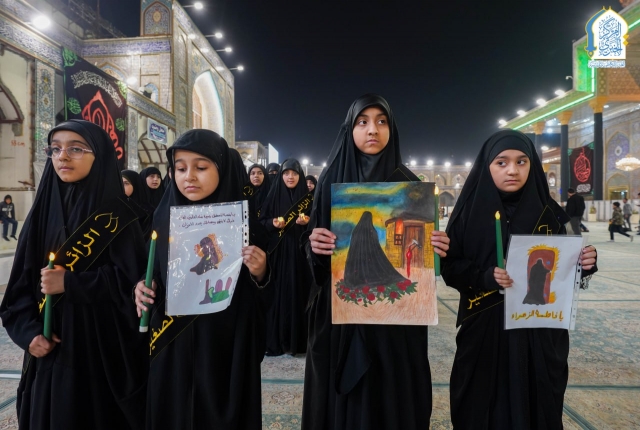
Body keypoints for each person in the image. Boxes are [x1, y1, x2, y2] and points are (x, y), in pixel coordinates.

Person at [302, 94, 450, 430]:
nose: (373, 130)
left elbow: (421, 258)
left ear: (391, 129)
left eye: (382, 121)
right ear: (350, 129)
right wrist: (314, 245)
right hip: (340, 321)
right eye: (363, 122)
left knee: (390, 395)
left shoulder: (410, 185)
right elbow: (314, 261)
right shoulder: (330, 182)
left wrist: (437, 246)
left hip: (396, 327)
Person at [441, 130, 598, 429]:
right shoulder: (467, 214)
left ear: (532, 165)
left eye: (521, 161)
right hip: (485, 328)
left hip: (537, 332)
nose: (512, 170)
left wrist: (585, 263)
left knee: (535, 402)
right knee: (480, 403)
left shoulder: (552, 214)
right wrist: (484, 276)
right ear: (487, 166)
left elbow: (566, 269)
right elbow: (450, 267)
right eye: (501, 162)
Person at [0, 120, 148, 429]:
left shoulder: (118, 217)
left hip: (99, 352)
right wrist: (28, 334)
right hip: (51, 347)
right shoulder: (41, 213)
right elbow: (19, 287)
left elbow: (131, 287)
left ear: (100, 156)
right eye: (55, 149)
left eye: (76, 149)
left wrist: (71, 283)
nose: (63, 156)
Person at [134, 129, 272, 430]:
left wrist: (260, 271)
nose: (189, 177)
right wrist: (142, 285)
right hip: (173, 343)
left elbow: (264, 290)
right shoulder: (163, 216)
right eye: (180, 168)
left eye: (201, 167)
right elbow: (152, 269)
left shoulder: (244, 223)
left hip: (224, 342)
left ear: (221, 168)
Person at [260, 158, 312, 356]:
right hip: (279, 256)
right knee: (278, 295)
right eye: (287, 173)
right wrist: (272, 223)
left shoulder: (308, 199)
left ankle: (298, 341)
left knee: (299, 293)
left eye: (295, 173)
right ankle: (278, 340)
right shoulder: (273, 196)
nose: (290, 177)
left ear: (300, 176)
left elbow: (318, 222)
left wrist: (307, 222)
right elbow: (261, 222)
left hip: (300, 256)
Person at [122, 170, 153, 240]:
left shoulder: (147, 211)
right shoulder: (115, 207)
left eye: (126, 183)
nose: (121, 186)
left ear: (135, 184)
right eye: (119, 183)